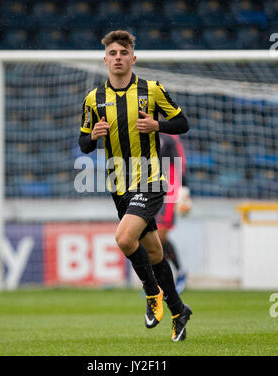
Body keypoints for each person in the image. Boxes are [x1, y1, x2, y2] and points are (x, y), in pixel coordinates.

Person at [79, 30, 192, 342]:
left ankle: (151, 292)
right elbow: (83, 143)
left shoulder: (151, 90)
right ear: (105, 59)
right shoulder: (94, 98)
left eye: (123, 53)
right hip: (119, 184)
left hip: (151, 178)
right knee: (155, 251)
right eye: (112, 53)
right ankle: (178, 310)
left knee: (124, 239)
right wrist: (93, 136)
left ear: (133, 58)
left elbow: (182, 123)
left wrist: (158, 124)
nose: (118, 58)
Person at [157, 133, 192, 294]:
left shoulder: (169, 136)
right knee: (151, 236)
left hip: (169, 190)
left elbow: (181, 162)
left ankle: (180, 272)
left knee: (160, 236)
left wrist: (184, 190)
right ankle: (161, 281)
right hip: (150, 189)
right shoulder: (142, 132)